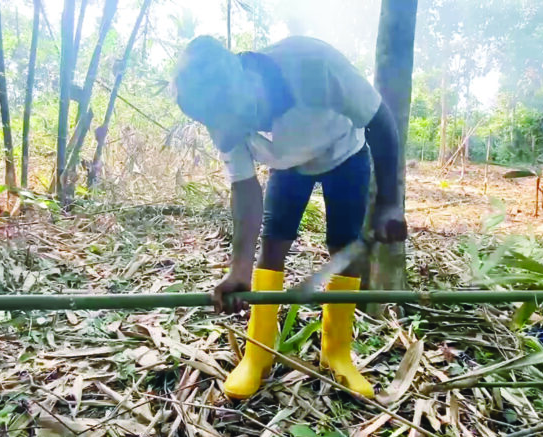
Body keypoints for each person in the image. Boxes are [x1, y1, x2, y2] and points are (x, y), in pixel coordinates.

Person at [173, 35, 407, 400]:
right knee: (273, 244)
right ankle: (258, 353)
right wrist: (239, 270)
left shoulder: (314, 64)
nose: (228, 134)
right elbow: (245, 188)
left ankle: (337, 353)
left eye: (234, 122)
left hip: (344, 153)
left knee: (343, 249)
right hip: (287, 166)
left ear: (245, 81)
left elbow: (381, 121)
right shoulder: (217, 105)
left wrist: (390, 204)